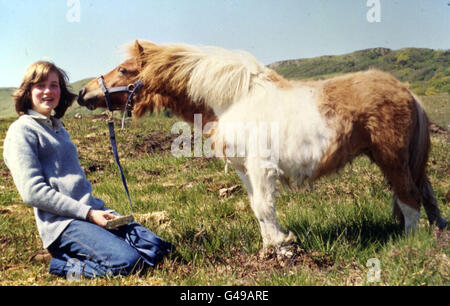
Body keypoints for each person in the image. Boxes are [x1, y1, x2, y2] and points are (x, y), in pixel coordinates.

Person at [3, 61, 173, 279]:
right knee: (129, 264)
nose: (48, 91)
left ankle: (93, 247)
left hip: (91, 213)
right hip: (63, 225)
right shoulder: (22, 130)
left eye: (54, 85)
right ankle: (61, 265)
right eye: (40, 85)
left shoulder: (57, 127)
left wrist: (94, 211)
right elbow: (32, 192)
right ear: (28, 91)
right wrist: (89, 214)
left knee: (159, 249)